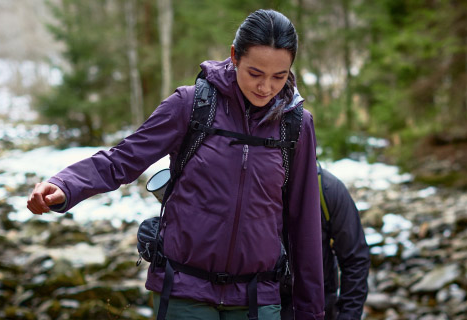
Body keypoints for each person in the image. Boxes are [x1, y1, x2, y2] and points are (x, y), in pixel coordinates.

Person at [27, 9, 324, 320]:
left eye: (279, 76)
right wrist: (65, 184)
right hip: (185, 290)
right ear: (234, 56)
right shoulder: (192, 105)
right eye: (255, 73)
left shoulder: (296, 125)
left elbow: (304, 224)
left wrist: (311, 311)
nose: (266, 87)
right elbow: (122, 159)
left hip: (259, 298)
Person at [281, 164, 370, 320]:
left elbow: (355, 259)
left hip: (319, 306)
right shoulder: (258, 185)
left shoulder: (328, 188)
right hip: (264, 305)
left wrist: (348, 315)